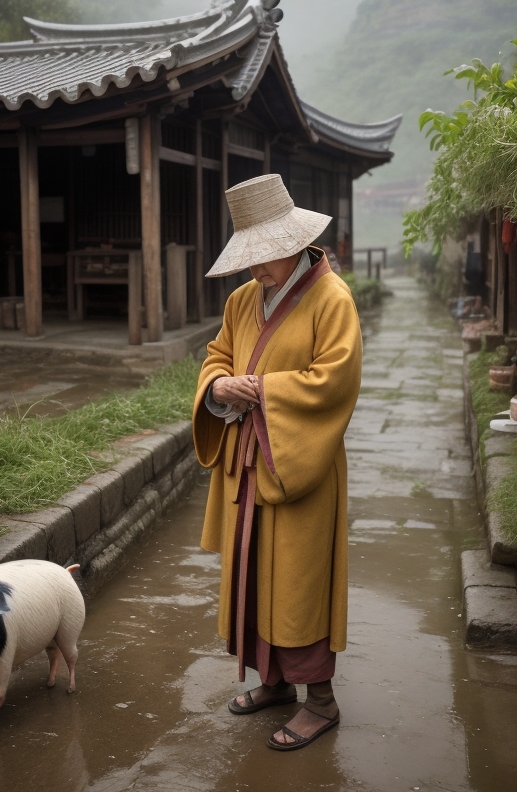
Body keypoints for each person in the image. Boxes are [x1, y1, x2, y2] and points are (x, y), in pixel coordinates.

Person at [192, 174, 362, 751]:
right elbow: (218, 356)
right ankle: (274, 683)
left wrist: (261, 390)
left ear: (295, 242)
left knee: (299, 581)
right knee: (254, 575)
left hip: (299, 462)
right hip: (249, 463)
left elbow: (334, 381)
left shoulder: (332, 299)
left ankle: (321, 701)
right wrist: (220, 386)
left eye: (265, 257)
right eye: (251, 258)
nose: (256, 269)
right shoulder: (243, 300)